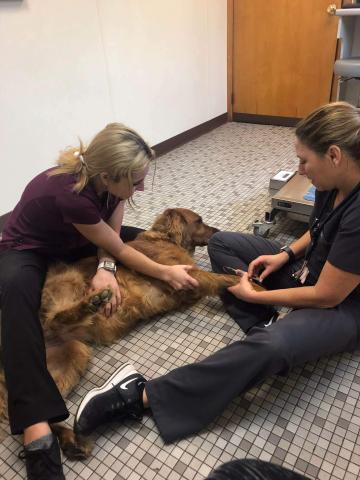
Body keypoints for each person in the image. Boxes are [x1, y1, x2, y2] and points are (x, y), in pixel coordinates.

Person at [74, 101, 360, 448]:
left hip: (344, 305)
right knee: (222, 243)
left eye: (304, 161)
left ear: (334, 155)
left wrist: (258, 295)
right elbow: (319, 229)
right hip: (311, 270)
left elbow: (328, 295)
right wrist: (283, 254)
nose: (299, 169)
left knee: (274, 346)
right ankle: (264, 323)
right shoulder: (334, 182)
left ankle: (140, 394)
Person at [0, 123, 198, 480]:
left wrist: (106, 266)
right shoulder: (69, 194)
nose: (140, 187)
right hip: (28, 248)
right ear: (107, 174)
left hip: (74, 238)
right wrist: (164, 274)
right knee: (17, 301)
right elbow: (118, 245)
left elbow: (114, 228)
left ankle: (233, 252)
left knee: (153, 242)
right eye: (135, 180)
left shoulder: (109, 181)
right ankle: (35, 428)